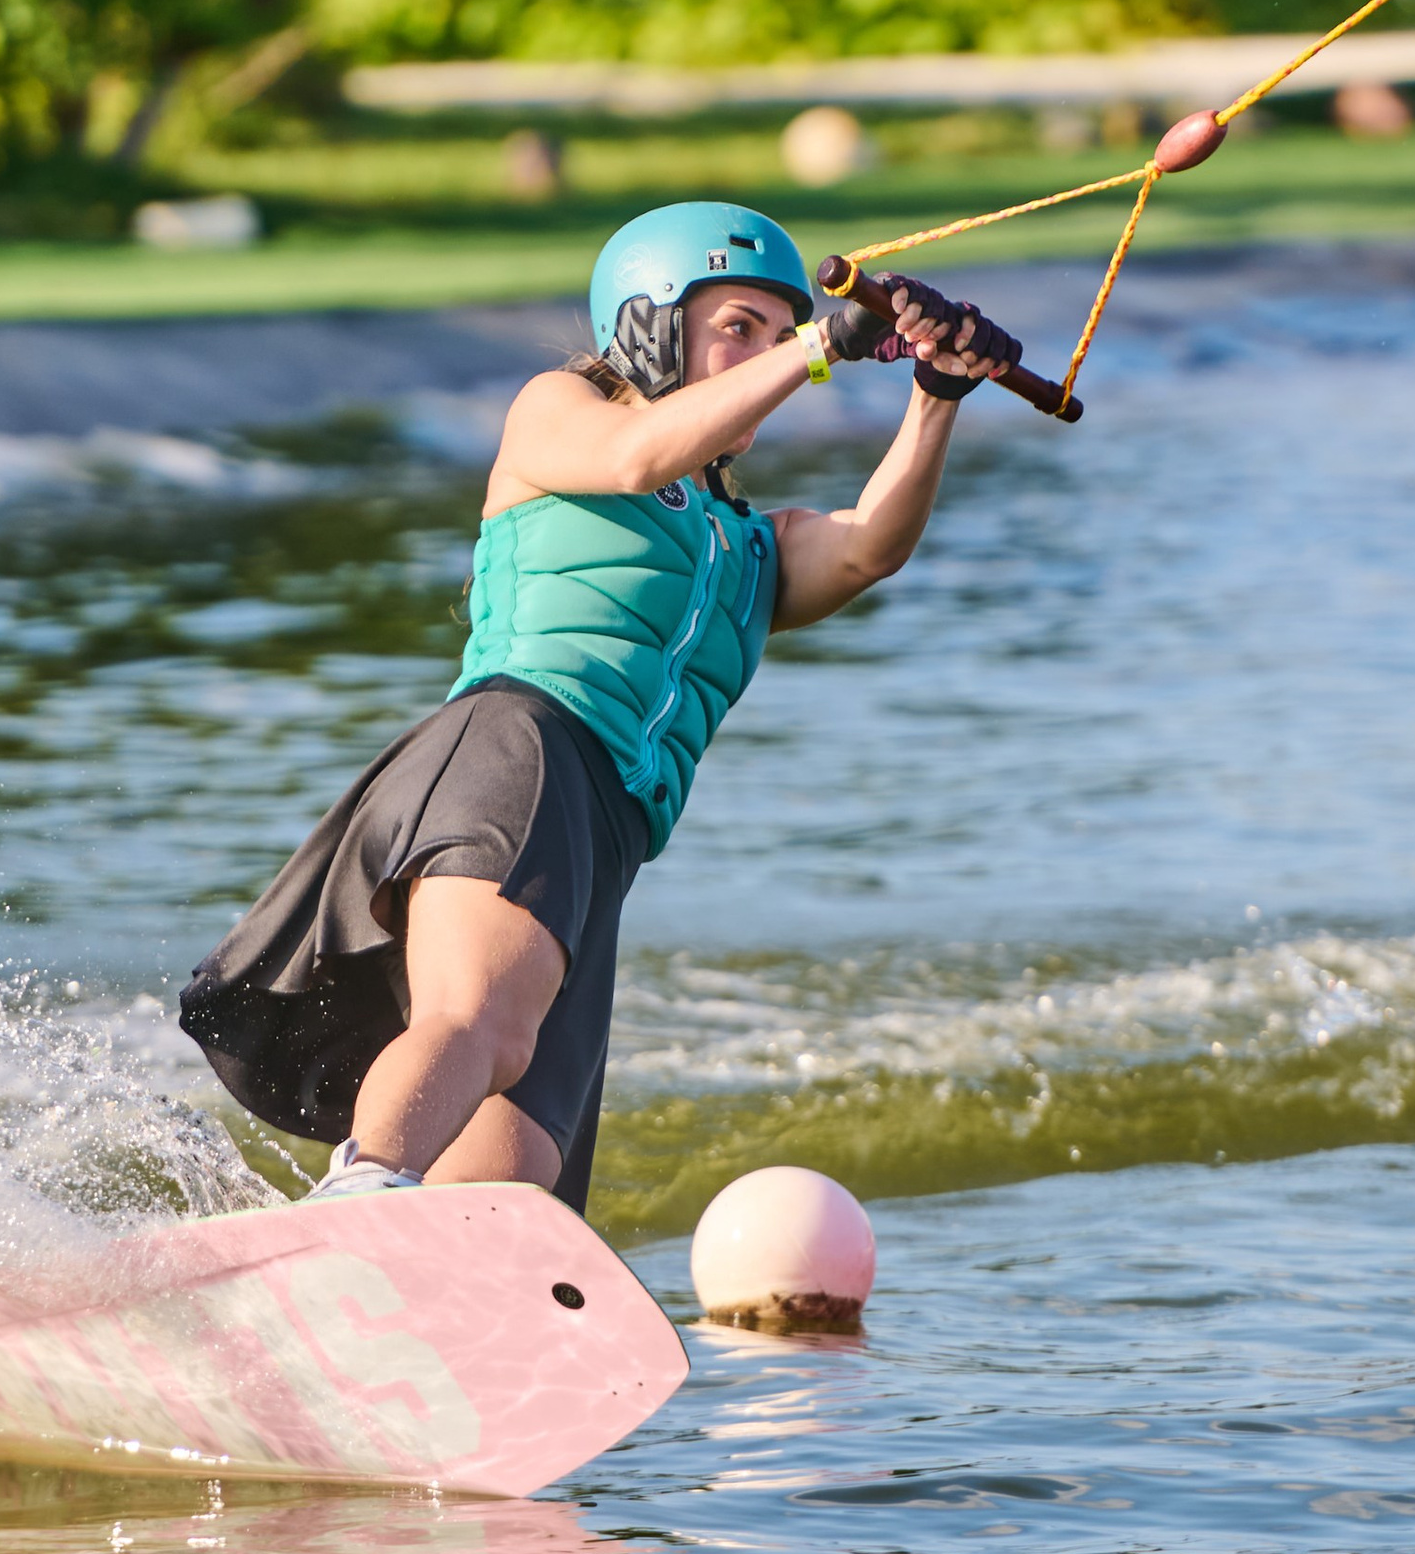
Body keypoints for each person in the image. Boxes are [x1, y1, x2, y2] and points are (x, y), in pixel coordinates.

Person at [179, 202, 1023, 1216]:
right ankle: (355, 1203)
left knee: (517, 1172)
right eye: (736, 325)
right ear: (649, 326)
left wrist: (937, 394)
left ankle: (428, 1321)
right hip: (522, 747)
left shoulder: (746, 545)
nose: (760, 349)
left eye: (775, 325)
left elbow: (865, 546)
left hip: (607, 835)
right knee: (476, 1020)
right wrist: (813, 344)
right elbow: (634, 461)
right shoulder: (558, 414)